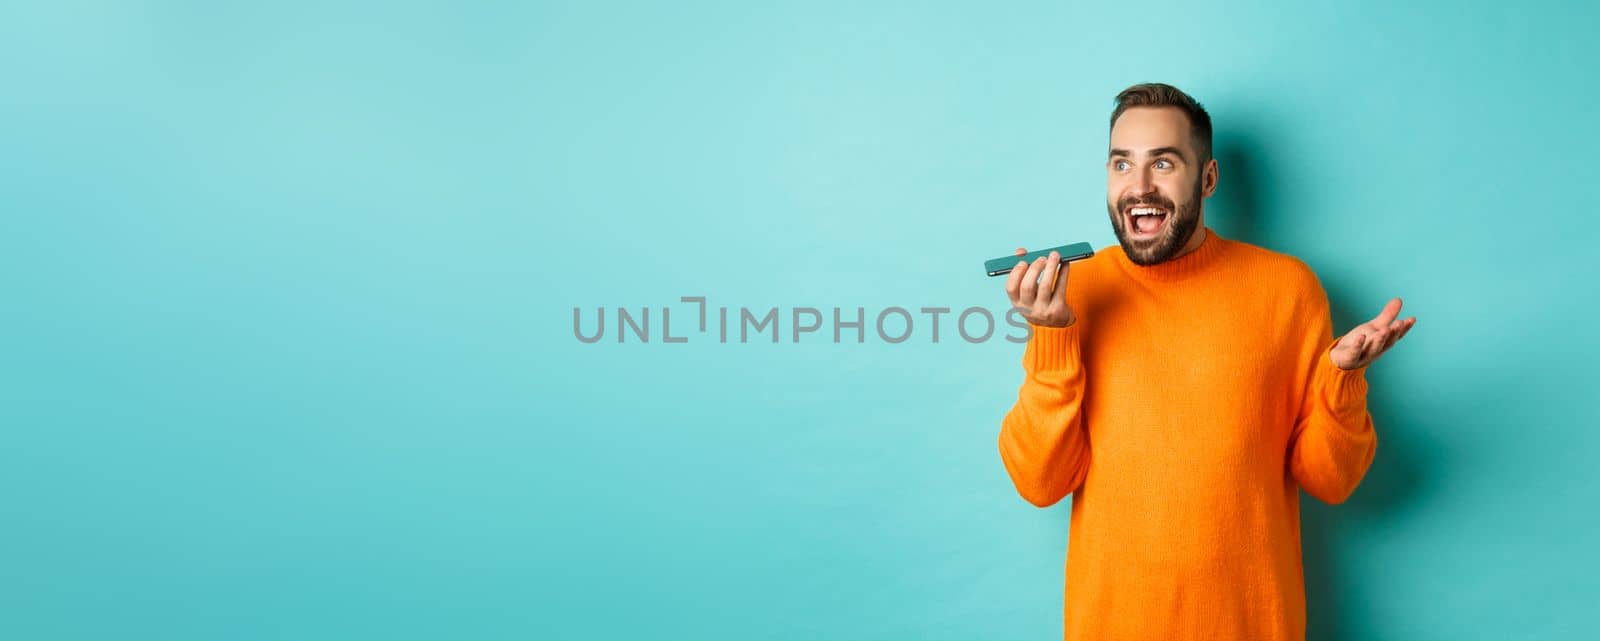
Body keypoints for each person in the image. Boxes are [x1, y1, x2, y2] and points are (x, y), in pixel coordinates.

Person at [997, 83, 1417, 641]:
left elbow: (1330, 481)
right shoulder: (1078, 292)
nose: (1138, 186)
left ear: (1209, 179)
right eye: (1122, 164)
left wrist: (1341, 381)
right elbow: (1040, 482)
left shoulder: (1287, 290)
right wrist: (1051, 337)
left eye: (1163, 163)